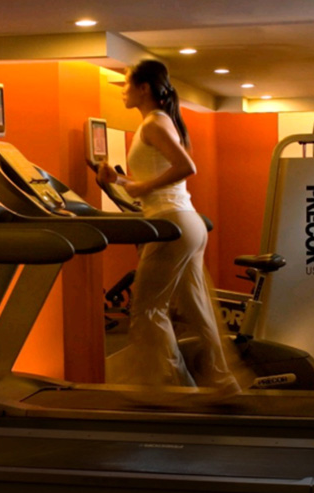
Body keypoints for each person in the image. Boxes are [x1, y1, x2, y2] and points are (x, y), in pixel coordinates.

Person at [97, 59, 252, 390]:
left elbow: (186, 167)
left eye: (126, 83)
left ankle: (169, 388)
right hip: (186, 221)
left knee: (147, 310)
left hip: (171, 224)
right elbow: (159, 181)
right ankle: (224, 383)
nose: (122, 90)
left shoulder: (154, 123)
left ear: (143, 88)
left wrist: (142, 186)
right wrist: (120, 181)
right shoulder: (162, 122)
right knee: (199, 311)